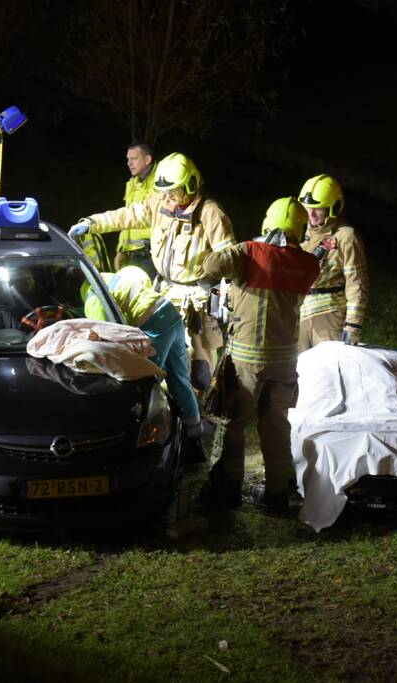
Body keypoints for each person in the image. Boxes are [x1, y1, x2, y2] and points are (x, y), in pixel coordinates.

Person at [70, 153, 236, 391]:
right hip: (166, 294)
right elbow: (126, 216)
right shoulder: (160, 204)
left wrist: (226, 298)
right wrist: (92, 223)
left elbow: (229, 259)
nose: (168, 197)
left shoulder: (210, 213)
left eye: (173, 191)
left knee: (199, 370)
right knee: (165, 362)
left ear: (190, 184)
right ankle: (167, 406)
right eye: (164, 191)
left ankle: (199, 409)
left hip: (196, 302)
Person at [196, 197, 320, 511]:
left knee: (232, 422)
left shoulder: (250, 252)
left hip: (247, 361)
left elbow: (211, 265)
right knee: (277, 426)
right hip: (285, 362)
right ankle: (278, 493)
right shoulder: (309, 263)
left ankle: (227, 489)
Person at [84, 266, 205, 462]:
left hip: (154, 326)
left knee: (145, 384)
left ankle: (152, 448)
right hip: (170, 315)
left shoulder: (92, 297)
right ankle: (195, 442)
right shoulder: (104, 276)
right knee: (180, 380)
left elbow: (103, 339)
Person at [297, 174, 369, 351]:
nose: (311, 214)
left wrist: (353, 324)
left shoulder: (346, 237)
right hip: (297, 314)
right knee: (296, 366)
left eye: (318, 209)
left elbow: (357, 283)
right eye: (307, 207)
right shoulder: (297, 231)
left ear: (334, 207)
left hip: (329, 316)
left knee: (326, 366)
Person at [113, 142, 157, 277]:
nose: (129, 163)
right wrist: (121, 249)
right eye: (128, 159)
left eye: (134, 159)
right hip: (131, 256)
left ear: (147, 159)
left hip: (152, 256)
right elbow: (127, 218)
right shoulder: (132, 184)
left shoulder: (161, 182)